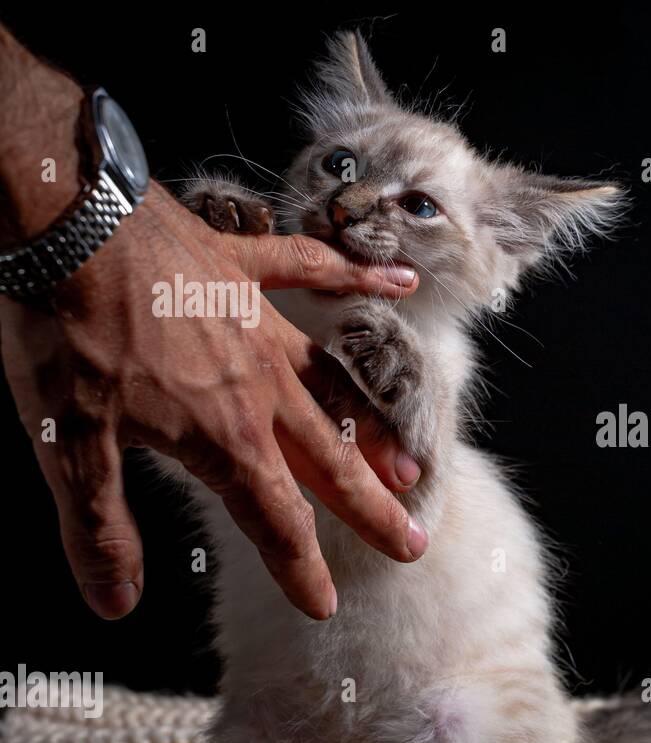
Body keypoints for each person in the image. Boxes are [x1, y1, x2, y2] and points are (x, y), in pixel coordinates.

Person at [0, 23, 428, 622]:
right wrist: (110, 239)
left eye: (420, 205)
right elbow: (195, 434)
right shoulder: (245, 313)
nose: (348, 204)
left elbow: (416, 483)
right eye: (339, 164)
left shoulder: (431, 353)